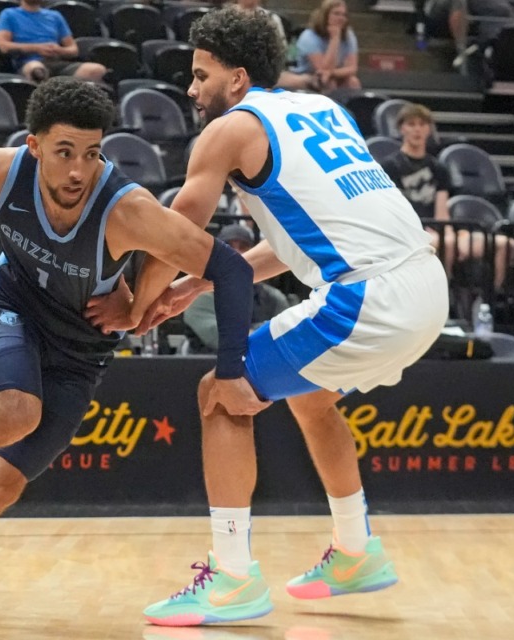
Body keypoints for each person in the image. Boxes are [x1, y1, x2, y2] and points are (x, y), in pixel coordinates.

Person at [0, 77, 262, 614]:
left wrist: (197, 348)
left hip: (82, 350)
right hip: (9, 307)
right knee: (17, 411)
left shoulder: (127, 211)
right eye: (64, 152)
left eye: (91, 154)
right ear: (34, 145)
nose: (78, 171)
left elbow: (229, 269)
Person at [89, 8, 448, 626]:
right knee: (312, 399)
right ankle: (356, 552)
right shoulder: (323, 110)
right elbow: (297, 240)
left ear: (237, 77)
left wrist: (137, 305)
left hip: (366, 300)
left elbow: (180, 225)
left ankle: (230, 579)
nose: (192, 87)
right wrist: (193, 287)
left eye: (201, 74)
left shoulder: (231, 129)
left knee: (220, 395)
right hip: (425, 286)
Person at [381, 102, 514, 290]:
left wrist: (448, 232)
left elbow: (442, 212)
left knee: (504, 244)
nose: (417, 130)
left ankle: (493, 301)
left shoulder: (439, 168)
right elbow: (391, 209)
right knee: (447, 243)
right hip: (407, 231)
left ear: (429, 129)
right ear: (401, 128)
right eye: (411, 124)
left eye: (422, 124)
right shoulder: (390, 166)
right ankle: (444, 299)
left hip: (436, 229)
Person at [183, 224, 290, 353]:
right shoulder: (199, 298)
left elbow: (289, 334)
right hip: (206, 368)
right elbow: (226, 339)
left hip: (263, 369)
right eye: (228, 246)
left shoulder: (273, 297)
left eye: (244, 247)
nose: (237, 253)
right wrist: (267, 331)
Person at [0, 0, 106, 84]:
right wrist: (36, 48)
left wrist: (58, 50)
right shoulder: (8, 14)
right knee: (37, 71)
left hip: (57, 61)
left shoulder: (55, 16)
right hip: (28, 62)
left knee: (96, 70)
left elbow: (73, 49)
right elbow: (3, 46)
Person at [277, 0, 360, 92]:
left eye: (344, 15)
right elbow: (322, 70)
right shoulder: (309, 36)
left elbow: (352, 68)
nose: (341, 18)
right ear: (325, 16)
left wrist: (331, 73)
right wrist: (334, 39)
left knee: (352, 81)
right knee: (327, 83)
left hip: (333, 75)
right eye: (336, 14)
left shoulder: (348, 35)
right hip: (307, 75)